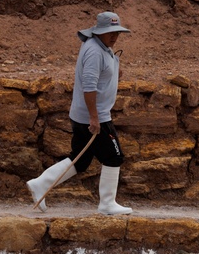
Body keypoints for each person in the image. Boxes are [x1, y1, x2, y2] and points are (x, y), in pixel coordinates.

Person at [27, 11, 132, 215]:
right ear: (99, 31)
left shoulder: (102, 46)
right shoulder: (94, 51)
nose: (115, 36)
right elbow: (89, 86)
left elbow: (100, 75)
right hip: (94, 116)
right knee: (114, 156)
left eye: (117, 32)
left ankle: (40, 184)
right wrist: (94, 117)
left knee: (80, 159)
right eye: (110, 32)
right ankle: (107, 204)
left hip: (87, 114)